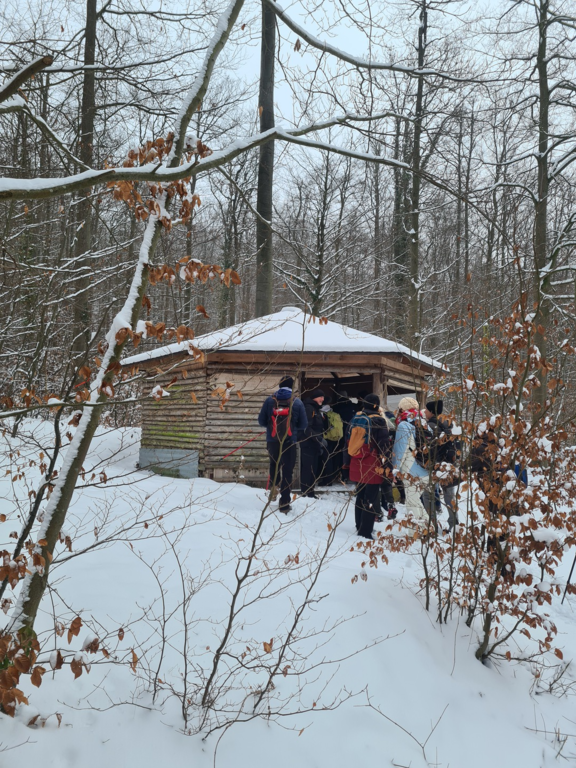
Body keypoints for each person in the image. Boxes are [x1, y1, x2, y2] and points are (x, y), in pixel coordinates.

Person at [258, 376, 307, 513]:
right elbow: (303, 424)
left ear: (279, 385)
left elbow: (261, 421)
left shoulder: (270, 400)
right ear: (292, 386)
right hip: (289, 441)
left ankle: (274, 487)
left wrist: (271, 426)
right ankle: (284, 503)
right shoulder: (297, 402)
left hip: (272, 441)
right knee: (287, 471)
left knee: (274, 465)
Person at [348, 394, 390, 539]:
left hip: (357, 461)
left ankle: (358, 524)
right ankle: (365, 531)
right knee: (371, 497)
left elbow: (347, 442)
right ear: (376, 405)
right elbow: (384, 445)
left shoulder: (356, 418)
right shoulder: (379, 420)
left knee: (360, 494)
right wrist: (387, 464)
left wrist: (346, 464)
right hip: (373, 463)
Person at [391, 396, 435, 528]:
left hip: (412, 471)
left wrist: (395, 470)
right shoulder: (423, 423)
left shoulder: (404, 425)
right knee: (416, 502)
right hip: (426, 468)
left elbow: (400, 450)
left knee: (412, 504)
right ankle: (426, 530)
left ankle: (418, 532)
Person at [423, 399, 460, 531]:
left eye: (426, 410)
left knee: (428, 495)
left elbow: (427, 448)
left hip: (433, 466)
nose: (424, 412)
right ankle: (454, 525)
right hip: (449, 465)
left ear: (432, 411)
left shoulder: (429, 426)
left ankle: (431, 524)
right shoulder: (450, 423)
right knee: (450, 496)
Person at [300, 388, 327, 497]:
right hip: (308, 444)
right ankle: (305, 492)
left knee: (313, 468)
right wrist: (319, 439)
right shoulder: (308, 408)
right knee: (308, 468)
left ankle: (311, 491)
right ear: (315, 397)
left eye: (323, 397)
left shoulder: (316, 409)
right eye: (321, 397)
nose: (322, 399)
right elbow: (307, 428)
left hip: (315, 444)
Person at [318, 396, 344, 485]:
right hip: (334, 438)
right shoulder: (332, 412)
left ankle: (327, 480)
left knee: (326, 459)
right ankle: (332, 476)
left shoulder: (322, 412)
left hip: (325, 438)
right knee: (331, 458)